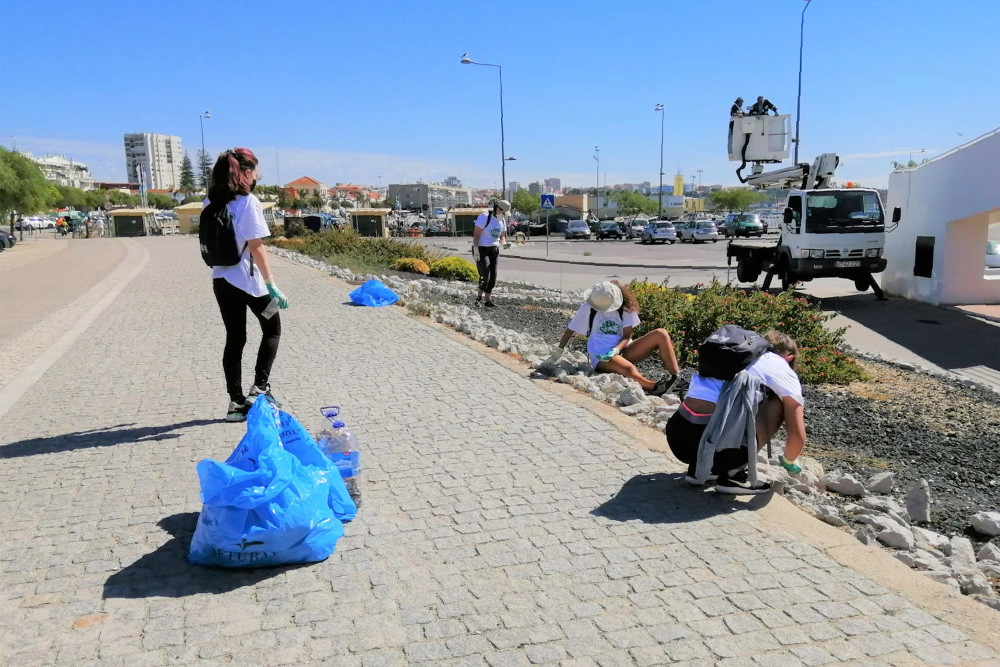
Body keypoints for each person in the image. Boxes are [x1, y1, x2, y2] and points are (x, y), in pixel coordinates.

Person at [664, 329, 805, 494]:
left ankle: (705, 469)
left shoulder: (732, 353)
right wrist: (788, 460)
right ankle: (732, 474)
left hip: (679, 438)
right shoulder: (782, 368)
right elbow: (797, 435)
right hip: (722, 451)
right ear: (789, 357)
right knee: (780, 403)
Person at [207, 148, 290, 422]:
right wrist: (272, 284)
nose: (256, 176)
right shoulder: (248, 202)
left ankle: (235, 403)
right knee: (272, 328)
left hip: (222, 280)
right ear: (243, 173)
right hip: (251, 283)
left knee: (235, 338)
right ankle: (260, 388)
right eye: (254, 171)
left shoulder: (211, 202)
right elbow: (256, 246)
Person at [546, 281, 680, 396]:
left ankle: (676, 379)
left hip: (623, 349)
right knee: (629, 370)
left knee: (661, 334)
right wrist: (558, 351)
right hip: (601, 353)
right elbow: (571, 329)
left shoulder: (626, 307)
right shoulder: (588, 307)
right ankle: (655, 387)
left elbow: (627, 336)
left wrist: (616, 349)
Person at [472, 199, 509, 307]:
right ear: (498, 208)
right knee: (485, 272)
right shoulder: (485, 217)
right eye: (503, 212)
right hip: (482, 248)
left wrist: (505, 243)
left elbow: (502, 236)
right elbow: (476, 234)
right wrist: (476, 249)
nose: (504, 214)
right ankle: (479, 297)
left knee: (493, 275)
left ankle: (488, 300)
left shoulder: (502, 220)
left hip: (494, 249)